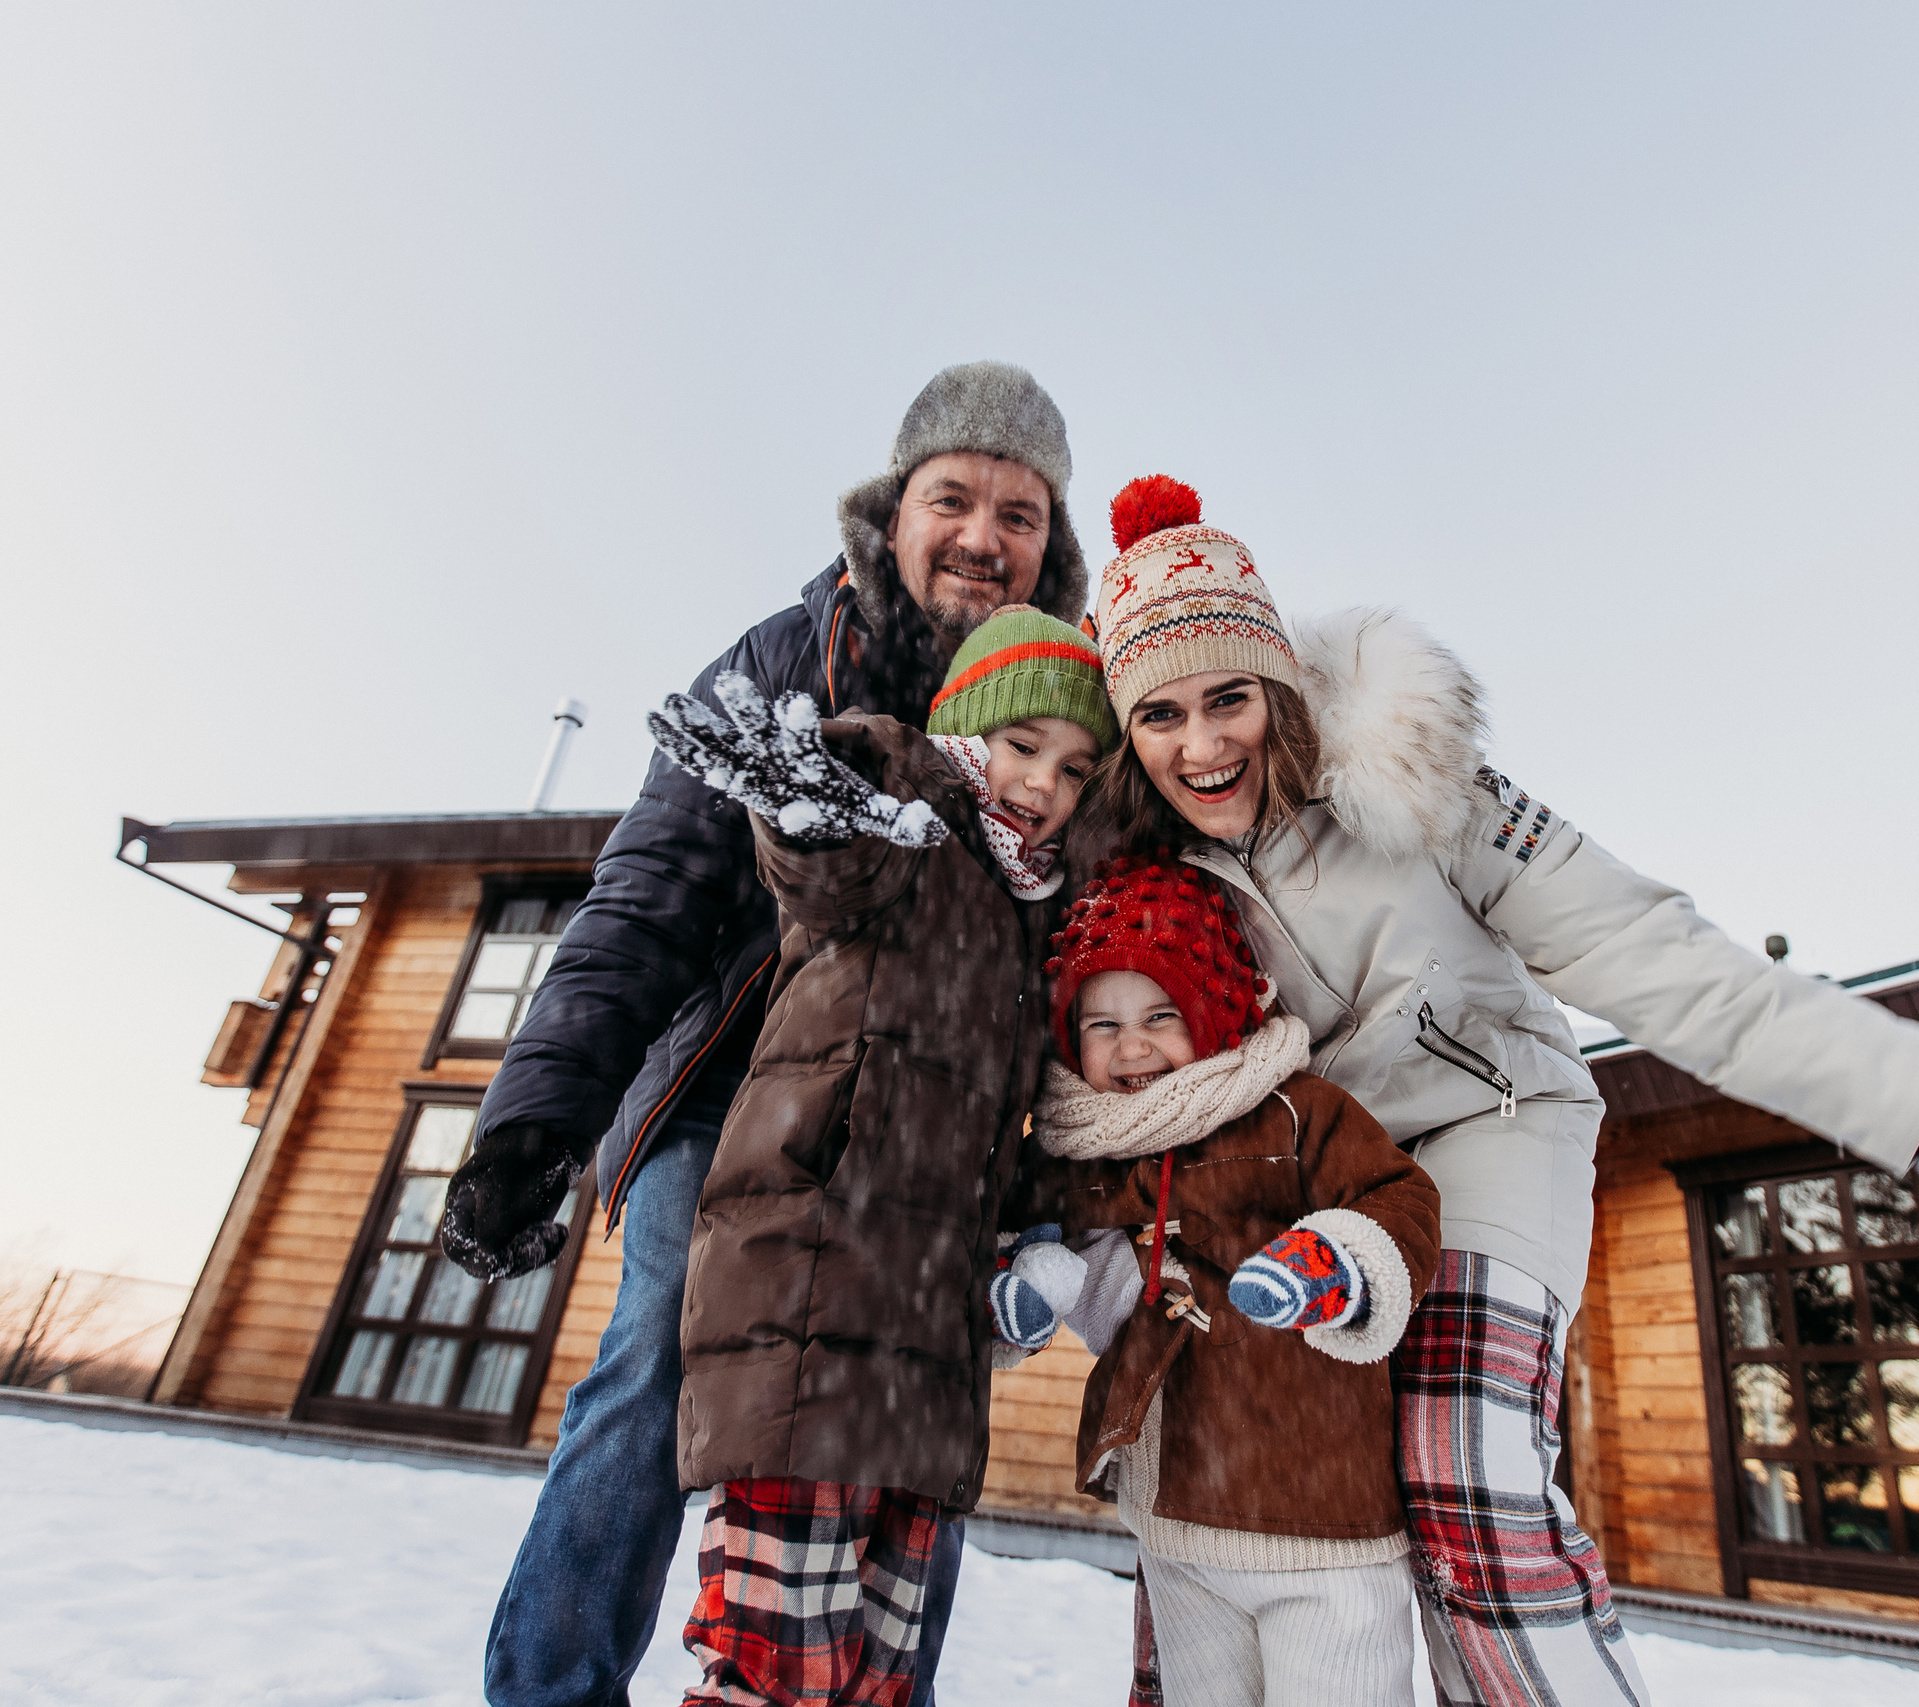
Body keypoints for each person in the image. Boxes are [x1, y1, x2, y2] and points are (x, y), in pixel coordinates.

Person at [1081, 474, 1919, 1707]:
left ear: (1278, 689)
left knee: (1461, 1467)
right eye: (1163, 716)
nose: (1204, 744)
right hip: (1306, 1188)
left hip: (1489, 1128)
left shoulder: (1414, 781)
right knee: (1219, 1476)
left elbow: (1668, 967)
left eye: (1229, 698)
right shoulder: (1145, 877)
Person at [440, 361, 1090, 1707]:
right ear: (893, 509)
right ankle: (552, 1685)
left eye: (1019, 511)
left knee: (914, 1393)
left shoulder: (1062, 708)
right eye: (953, 496)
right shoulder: (788, 656)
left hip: (922, 1123)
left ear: (1050, 539)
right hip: (730, 1082)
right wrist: (536, 1120)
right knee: (668, 1340)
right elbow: (653, 887)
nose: (983, 534)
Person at [640, 608, 1115, 1707]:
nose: (1043, 782)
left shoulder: (1032, 908)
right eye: (1024, 743)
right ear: (965, 732)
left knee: (878, 1680)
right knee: (776, 1667)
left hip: (926, 1348)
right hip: (810, 1302)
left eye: (1075, 766)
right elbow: (827, 867)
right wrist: (810, 815)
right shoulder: (901, 804)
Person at [991, 857, 1440, 1707]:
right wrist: (1022, 1291)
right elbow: (1026, 1230)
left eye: (1162, 1014)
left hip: (1318, 1516)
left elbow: (1398, 1197)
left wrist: (1338, 1261)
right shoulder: (1079, 1147)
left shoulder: (1292, 1107)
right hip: (1175, 1523)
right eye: (1102, 1024)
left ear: (1215, 1006)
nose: (1132, 1048)